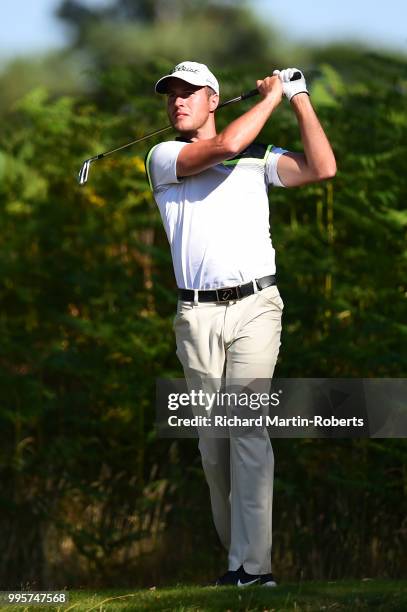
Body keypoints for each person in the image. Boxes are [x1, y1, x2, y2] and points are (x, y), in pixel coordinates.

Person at [145, 61, 336, 587]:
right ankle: (239, 558)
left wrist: (297, 97)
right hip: (197, 316)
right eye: (172, 96)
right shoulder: (165, 156)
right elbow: (225, 145)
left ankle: (252, 569)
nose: (177, 102)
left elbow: (322, 168)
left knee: (248, 429)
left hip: (257, 307)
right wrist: (270, 98)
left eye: (189, 94)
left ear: (214, 98)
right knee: (214, 445)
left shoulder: (258, 157)